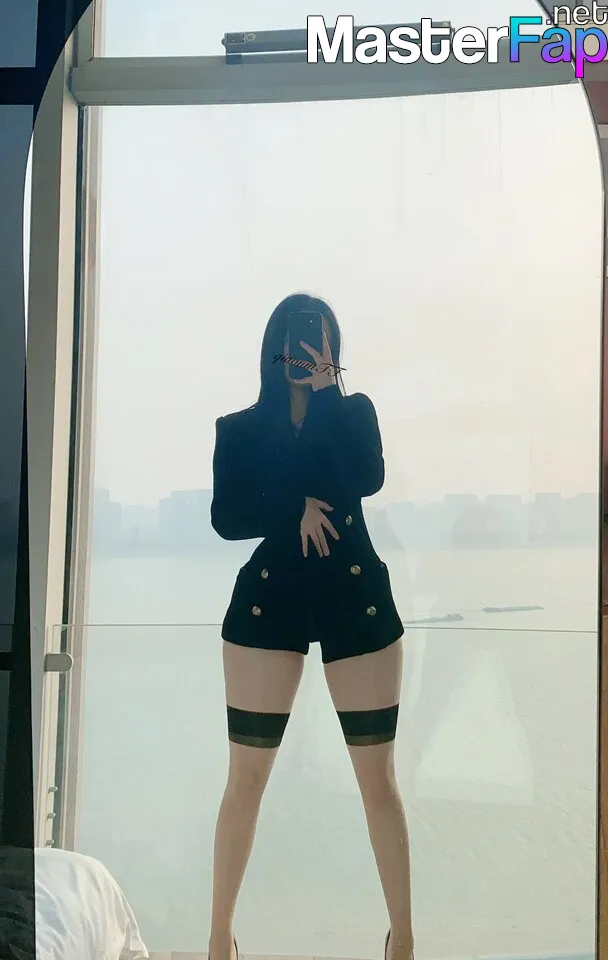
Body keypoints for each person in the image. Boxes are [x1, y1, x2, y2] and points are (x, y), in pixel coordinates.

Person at [208, 293, 413, 960]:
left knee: (378, 781)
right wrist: (292, 507)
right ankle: (218, 939)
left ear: (335, 350)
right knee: (245, 780)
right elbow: (227, 517)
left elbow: (367, 478)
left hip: (356, 599)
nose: (308, 352)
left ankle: (404, 941)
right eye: (298, 340)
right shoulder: (240, 428)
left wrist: (327, 396)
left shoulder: (353, 413)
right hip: (270, 603)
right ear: (275, 349)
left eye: (321, 341)